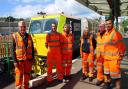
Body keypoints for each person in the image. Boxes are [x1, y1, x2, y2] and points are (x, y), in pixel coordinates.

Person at [101, 17, 126, 89]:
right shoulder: (105, 34)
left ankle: (118, 87)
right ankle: (107, 84)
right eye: (106, 24)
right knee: (107, 73)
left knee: (116, 77)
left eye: (109, 23)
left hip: (114, 60)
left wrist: (119, 58)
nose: (107, 25)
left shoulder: (117, 34)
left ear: (112, 24)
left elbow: (122, 47)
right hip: (106, 59)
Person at [12, 21, 34, 89]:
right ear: (18, 27)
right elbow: (12, 50)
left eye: (24, 26)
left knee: (27, 75)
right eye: (21, 27)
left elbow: (32, 48)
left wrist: (32, 58)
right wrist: (15, 61)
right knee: (19, 76)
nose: (23, 28)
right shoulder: (14, 36)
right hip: (19, 61)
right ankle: (18, 87)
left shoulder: (29, 36)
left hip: (28, 60)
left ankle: (26, 87)